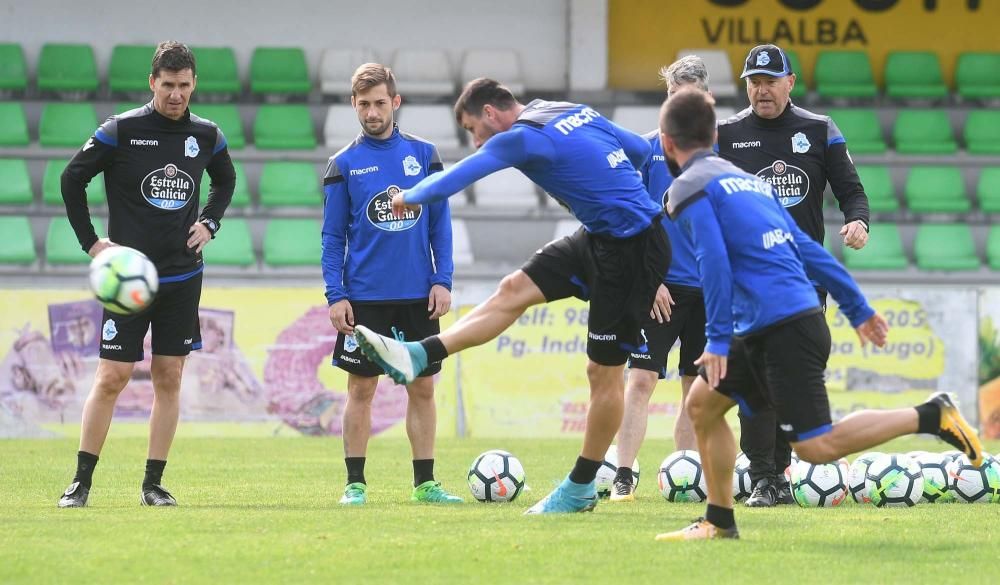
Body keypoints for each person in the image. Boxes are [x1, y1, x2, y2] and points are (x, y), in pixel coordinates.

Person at [653, 87, 983, 541]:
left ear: (667, 143)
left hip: (783, 327)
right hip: (780, 320)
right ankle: (719, 520)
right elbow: (807, 248)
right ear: (713, 135)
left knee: (816, 446)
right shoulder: (747, 182)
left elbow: (713, 263)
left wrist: (715, 339)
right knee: (703, 406)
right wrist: (857, 307)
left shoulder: (686, 189)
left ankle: (931, 415)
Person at [353, 78, 672, 514]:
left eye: (472, 129)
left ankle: (580, 486)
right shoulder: (564, 108)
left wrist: (409, 196)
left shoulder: (520, 138)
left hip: (633, 250)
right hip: (600, 235)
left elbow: (456, 178)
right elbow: (639, 150)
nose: (475, 140)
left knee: (604, 373)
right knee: (513, 289)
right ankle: (419, 355)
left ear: (489, 114)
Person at [57, 41, 236, 508]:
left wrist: (210, 222)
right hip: (128, 279)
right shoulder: (121, 130)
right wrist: (92, 244)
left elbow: (226, 179)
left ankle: (152, 484)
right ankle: (81, 483)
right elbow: (71, 179)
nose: (176, 94)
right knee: (112, 376)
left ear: (194, 83)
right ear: (152, 82)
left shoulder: (208, 134)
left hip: (181, 277)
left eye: (184, 85)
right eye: (167, 85)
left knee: (169, 376)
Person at [716, 44, 871, 507]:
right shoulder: (726, 134)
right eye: (754, 82)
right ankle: (766, 474)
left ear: (790, 82)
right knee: (755, 379)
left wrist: (858, 221)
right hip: (747, 277)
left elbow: (852, 192)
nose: (761, 90)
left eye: (769, 80)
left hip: (804, 277)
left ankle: (777, 472)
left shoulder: (819, 130)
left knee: (787, 377)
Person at [321, 63, 461, 505]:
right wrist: (336, 294)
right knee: (361, 389)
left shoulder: (425, 155)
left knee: (422, 387)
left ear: (395, 102)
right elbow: (332, 236)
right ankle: (355, 485)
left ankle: (425, 484)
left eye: (380, 102)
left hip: (419, 296)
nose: (372, 111)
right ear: (353, 105)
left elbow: (440, 225)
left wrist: (442, 280)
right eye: (364, 104)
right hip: (365, 298)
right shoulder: (343, 164)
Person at [610, 56, 709, 502]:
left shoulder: (719, 154)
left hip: (707, 291)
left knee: (695, 390)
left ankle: (684, 476)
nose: (680, 104)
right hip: (659, 290)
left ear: (704, 99)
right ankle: (623, 475)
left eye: (688, 96)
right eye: (673, 96)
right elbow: (632, 220)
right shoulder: (648, 150)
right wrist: (649, 281)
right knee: (641, 382)